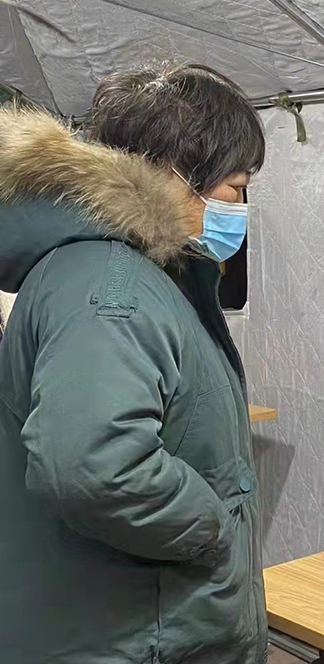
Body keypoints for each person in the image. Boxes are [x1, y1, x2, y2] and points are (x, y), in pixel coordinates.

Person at [0, 63, 268, 663]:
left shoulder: (133, 274)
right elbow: (92, 465)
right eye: (234, 185)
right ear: (173, 172)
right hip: (130, 636)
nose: (241, 205)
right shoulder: (111, 283)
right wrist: (214, 526)